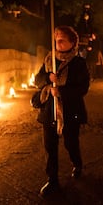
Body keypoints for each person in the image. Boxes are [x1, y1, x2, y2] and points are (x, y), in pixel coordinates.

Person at [34, 25, 90, 197]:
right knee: (50, 147)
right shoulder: (49, 60)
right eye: (56, 40)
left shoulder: (79, 63)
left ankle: (77, 163)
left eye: (62, 40)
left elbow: (83, 88)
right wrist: (47, 78)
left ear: (72, 43)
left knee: (70, 143)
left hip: (70, 111)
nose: (57, 43)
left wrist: (62, 92)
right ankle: (52, 180)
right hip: (49, 110)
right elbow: (37, 80)